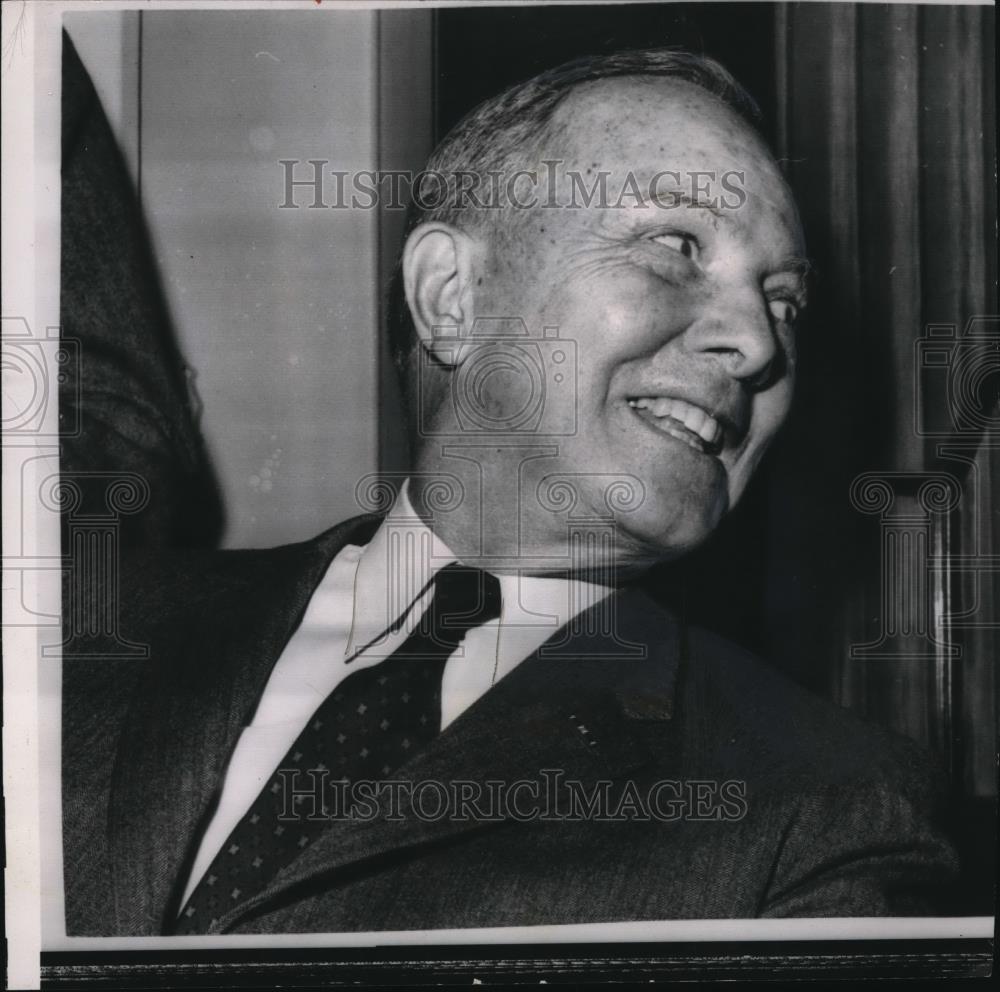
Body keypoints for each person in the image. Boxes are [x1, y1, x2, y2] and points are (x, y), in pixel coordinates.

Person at [62, 49, 958, 936]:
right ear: (451, 295)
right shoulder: (76, 625)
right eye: (677, 246)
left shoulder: (823, 808)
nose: (758, 344)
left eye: (785, 302)